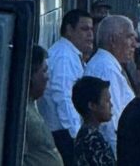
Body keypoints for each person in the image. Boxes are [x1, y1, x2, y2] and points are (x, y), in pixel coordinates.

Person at [39, 9, 95, 166]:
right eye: (84, 29)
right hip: (63, 134)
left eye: (92, 29)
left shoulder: (70, 54)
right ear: (69, 30)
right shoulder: (64, 56)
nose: (90, 35)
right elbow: (64, 97)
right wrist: (77, 136)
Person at [84, 15, 139, 155]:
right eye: (129, 37)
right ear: (113, 40)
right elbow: (111, 123)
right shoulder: (106, 69)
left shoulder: (110, 66)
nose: (134, 44)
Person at [24, 45, 64, 166]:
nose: (47, 77)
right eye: (44, 71)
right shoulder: (21, 113)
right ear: (31, 74)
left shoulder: (31, 107)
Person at [71, 76, 116, 166]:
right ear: (92, 105)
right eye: (107, 101)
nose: (111, 105)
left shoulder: (87, 135)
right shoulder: (92, 141)